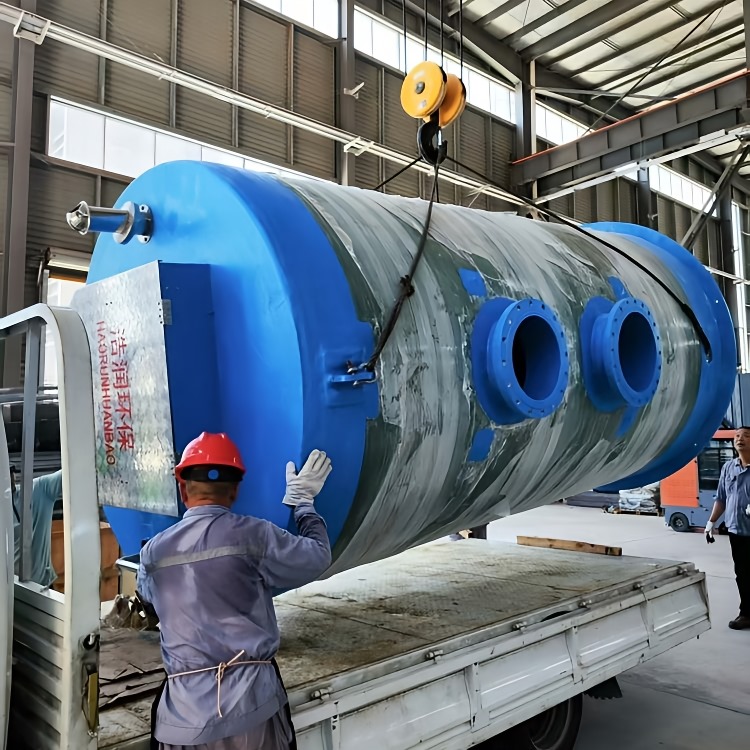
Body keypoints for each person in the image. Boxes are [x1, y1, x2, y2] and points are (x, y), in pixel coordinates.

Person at [138, 432, 333, 750]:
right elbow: (317, 557)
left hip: (180, 723)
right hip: (250, 713)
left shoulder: (153, 552)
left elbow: (149, 598)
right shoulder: (254, 535)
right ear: (235, 490)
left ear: (182, 487)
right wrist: (303, 504)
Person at [706, 425, 750, 630]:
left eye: (746, 436)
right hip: (736, 531)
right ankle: (747, 613)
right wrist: (711, 523)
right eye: (737, 436)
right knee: (743, 574)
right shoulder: (728, 468)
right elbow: (721, 498)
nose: (740, 439)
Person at [11, 466, 63, 588]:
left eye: (11, 471)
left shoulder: (38, 490)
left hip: (42, 587)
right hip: (11, 588)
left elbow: (70, 470)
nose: (9, 476)